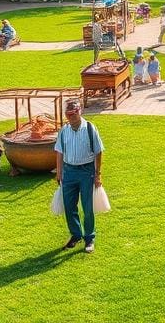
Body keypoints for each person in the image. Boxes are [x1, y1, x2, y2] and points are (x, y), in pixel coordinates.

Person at [54, 98, 104, 253]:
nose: (71, 116)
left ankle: (89, 238)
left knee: (87, 207)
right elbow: (59, 152)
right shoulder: (63, 130)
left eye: (74, 112)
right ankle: (76, 235)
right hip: (69, 172)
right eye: (68, 113)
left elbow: (99, 151)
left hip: (86, 172)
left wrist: (97, 174)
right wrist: (59, 171)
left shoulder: (90, 128)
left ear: (80, 110)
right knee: (69, 206)